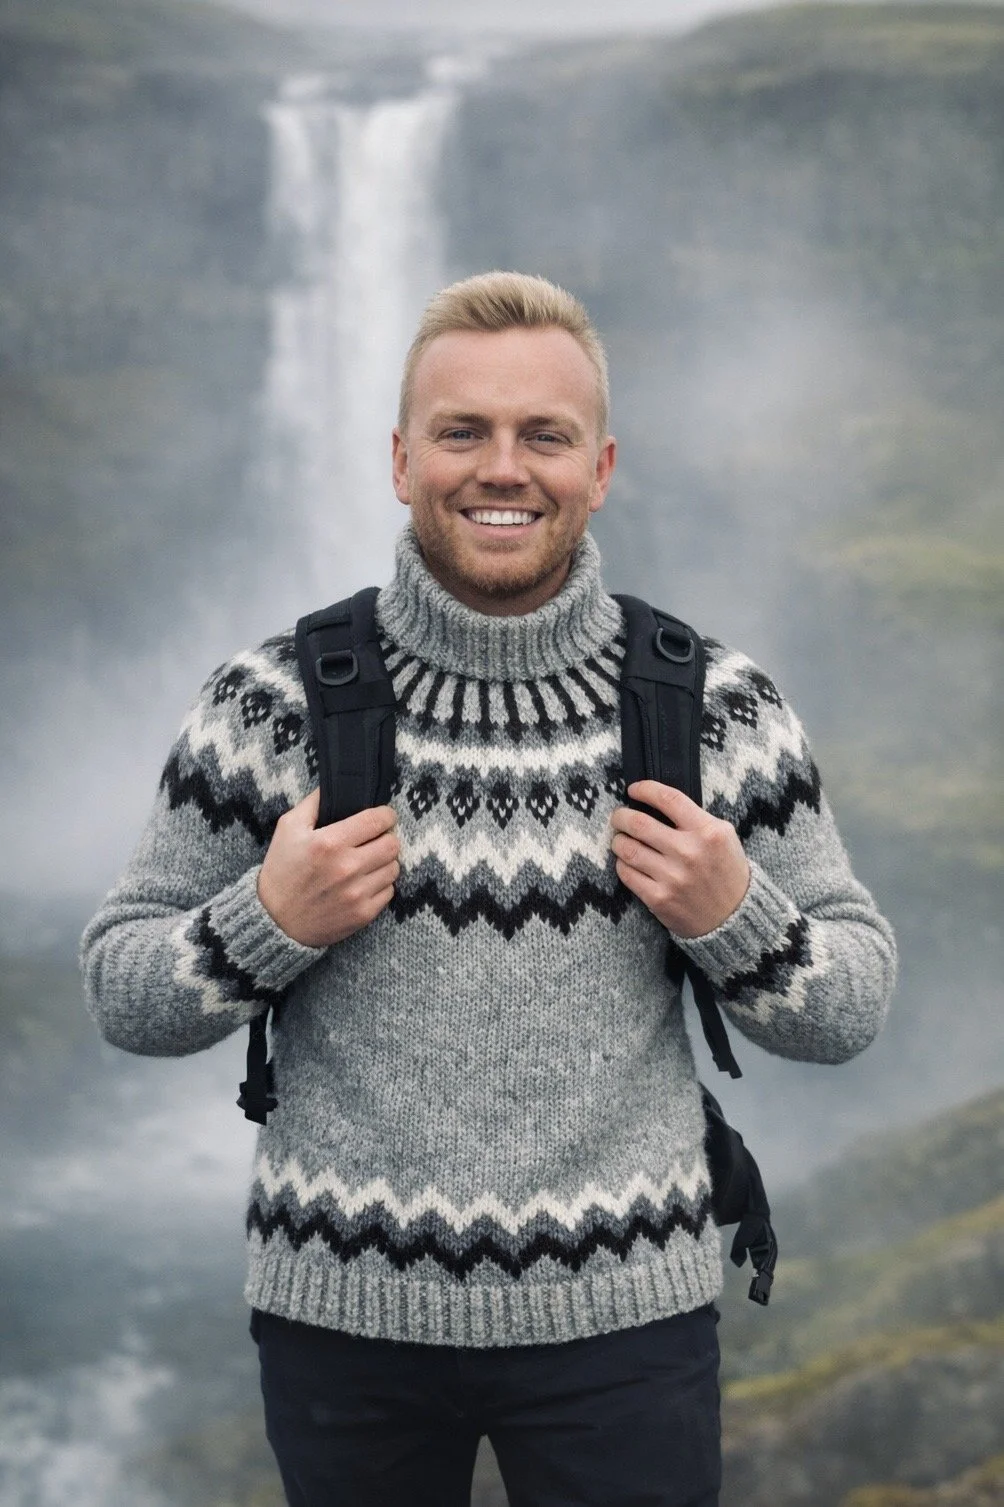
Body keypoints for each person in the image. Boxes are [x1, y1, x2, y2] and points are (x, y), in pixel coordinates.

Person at [81, 270, 897, 1507]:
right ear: (400, 458)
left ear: (601, 465)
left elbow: (850, 1007)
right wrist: (266, 923)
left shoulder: (715, 708)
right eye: (462, 431)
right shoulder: (266, 703)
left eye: (542, 435)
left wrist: (735, 912)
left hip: (626, 1332)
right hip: (341, 1327)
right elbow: (120, 991)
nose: (500, 468)